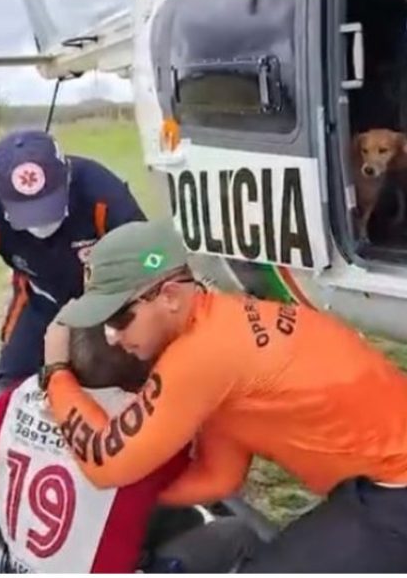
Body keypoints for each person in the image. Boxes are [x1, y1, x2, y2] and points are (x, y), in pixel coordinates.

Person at [42, 218, 407, 572]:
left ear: (169, 296)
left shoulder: (200, 357)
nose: (111, 337)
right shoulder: (219, 324)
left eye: (119, 318)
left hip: (393, 490)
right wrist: (131, 497)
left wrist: (55, 374)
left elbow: (105, 462)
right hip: (382, 483)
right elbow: (220, 477)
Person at [0, 324, 259, 573]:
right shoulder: (147, 431)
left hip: (21, 559)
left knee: (160, 511)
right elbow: (214, 480)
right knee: (237, 533)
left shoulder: (17, 398)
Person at [0, 129, 145, 413]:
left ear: (66, 177)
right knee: (4, 400)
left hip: (107, 300)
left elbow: (152, 259)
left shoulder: (101, 189)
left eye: (49, 207)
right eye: (27, 213)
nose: (41, 223)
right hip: (40, 298)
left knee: (127, 392)